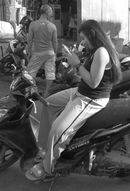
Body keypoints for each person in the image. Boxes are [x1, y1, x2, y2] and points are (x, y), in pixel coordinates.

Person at [25, 19, 122, 181]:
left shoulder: (101, 52)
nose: (82, 41)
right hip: (80, 91)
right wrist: (73, 59)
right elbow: (85, 74)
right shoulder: (95, 49)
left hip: (92, 98)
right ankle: (44, 149)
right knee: (48, 103)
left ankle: (47, 168)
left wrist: (77, 65)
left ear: (92, 35)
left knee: (58, 129)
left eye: (84, 38)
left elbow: (93, 82)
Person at [26, 4, 57, 98]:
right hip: (50, 52)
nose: (51, 14)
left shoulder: (33, 24)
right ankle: (47, 92)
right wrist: (55, 53)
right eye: (51, 12)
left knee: (31, 71)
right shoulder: (52, 26)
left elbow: (29, 40)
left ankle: (33, 90)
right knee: (50, 72)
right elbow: (55, 41)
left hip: (38, 52)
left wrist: (28, 52)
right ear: (47, 13)